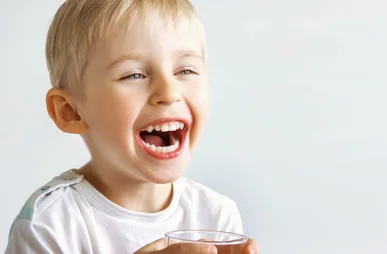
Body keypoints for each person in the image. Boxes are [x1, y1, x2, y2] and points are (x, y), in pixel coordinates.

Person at [5, 0, 259, 253]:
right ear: (70, 111)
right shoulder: (49, 225)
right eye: (134, 75)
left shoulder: (216, 216)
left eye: (185, 70)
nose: (169, 93)